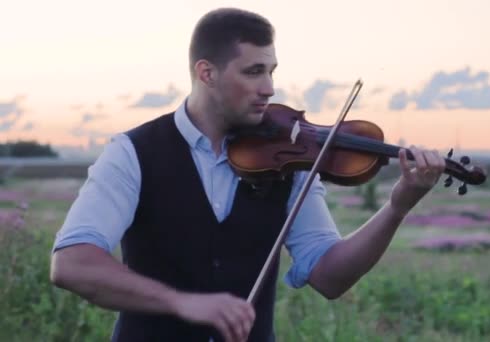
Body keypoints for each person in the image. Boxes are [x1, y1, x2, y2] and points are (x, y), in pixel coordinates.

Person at [50, 7, 445, 342]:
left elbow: (330, 276)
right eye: (254, 72)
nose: (269, 88)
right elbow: (72, 264)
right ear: (206, 73)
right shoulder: (132, 153)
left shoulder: (288, 162)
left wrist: (397, 207)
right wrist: (182, 302)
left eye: (271, 71)